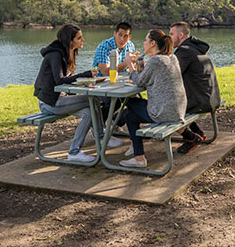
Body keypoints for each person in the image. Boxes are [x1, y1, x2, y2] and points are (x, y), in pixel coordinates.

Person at [119, 29, 192, 168]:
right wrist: (138, 67)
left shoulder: (156, 60)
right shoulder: (171, 58)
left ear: (152, 43)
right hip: (178, 109)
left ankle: (138, 155)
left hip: (163, 113)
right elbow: (145, 78)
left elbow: (140, 82)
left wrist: (129, 64)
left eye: (146, 40)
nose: (144, 42)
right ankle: (137, 152)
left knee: (129, 105)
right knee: (130, 115)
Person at [33, 24, 98, 162]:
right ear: (70, 40)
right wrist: (84, 75)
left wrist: (83, 84)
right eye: (79, 38)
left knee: (88, 111)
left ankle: (74, 152)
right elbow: (59, 80)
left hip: (59, 100)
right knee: (94, 100)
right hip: (50, 103)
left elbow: (68, 81)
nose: (83, 40)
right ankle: (102, 136)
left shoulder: (70, 52)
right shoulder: (56, 54)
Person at [169, 21, 221, 154]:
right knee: (175, 100)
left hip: (201, 101)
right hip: (210, 98)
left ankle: (191, 138)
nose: (169, 38)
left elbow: (170, 75)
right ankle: (198, 132)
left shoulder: (185, 51)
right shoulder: (194, 47)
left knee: (167, 108)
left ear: (180, 35)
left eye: (171, 34)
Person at [91, 21, 136, 145]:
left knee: (135, 100)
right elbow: (105, 71)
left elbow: (132, 66)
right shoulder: (104, 46)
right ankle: (97, 130)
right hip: (101, 86)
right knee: (110, 100)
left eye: (125, 36)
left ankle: (116, 122)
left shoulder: (130, 46)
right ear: (114, 33)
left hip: (121, 84)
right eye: (120, 35)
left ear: (129, 37)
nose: (122, 39)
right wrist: (128, 62)